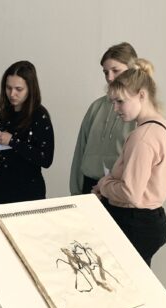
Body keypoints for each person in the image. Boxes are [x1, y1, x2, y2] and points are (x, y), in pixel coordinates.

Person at [93, 58, 166, 308]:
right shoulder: (162, 127)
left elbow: (130, 192)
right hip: (149, 220)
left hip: (136, 222)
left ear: (141, 95)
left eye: (119, 101)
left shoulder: (143, 137)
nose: (115, 109)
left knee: (127, 298)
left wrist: (104, 185)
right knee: (132, 294)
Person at [0, 60, 54, 205]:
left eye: (18, 89)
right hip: (1, 186)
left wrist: (12, 141)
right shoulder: (3, 115)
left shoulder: (40, 116)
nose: (12, 94)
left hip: (29, 190)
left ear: (30, 89)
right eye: (8, 88)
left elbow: (46, 159)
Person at [70, 42, 138, 195]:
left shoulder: (138, 114)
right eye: (105, 72)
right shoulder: (96, 107)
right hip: (89, 188)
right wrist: (75, 192)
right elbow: (80, 150)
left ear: (132, 70)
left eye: (116, 70)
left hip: (119, 191)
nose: (109, 78)